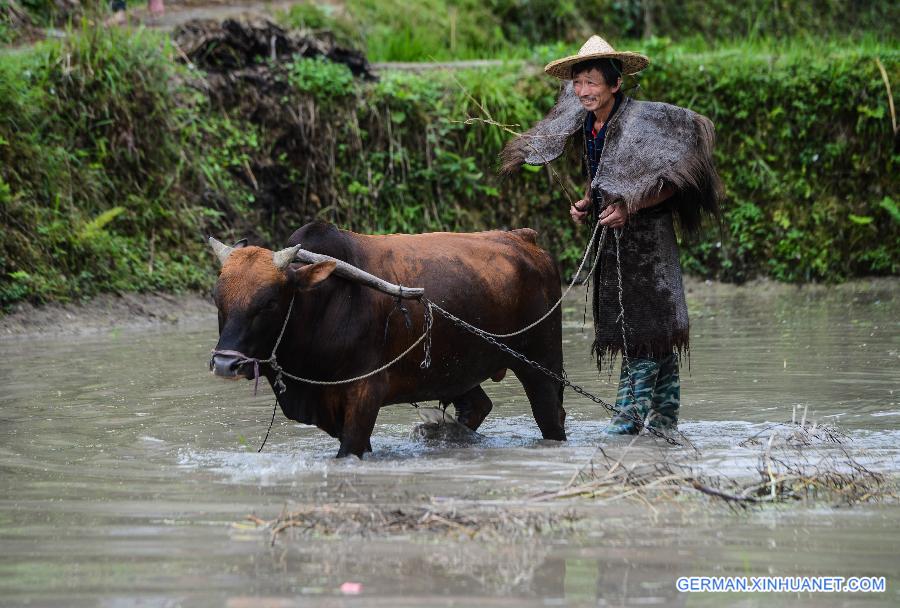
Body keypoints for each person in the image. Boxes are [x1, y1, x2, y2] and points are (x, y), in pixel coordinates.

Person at [501, 35, 723, 435]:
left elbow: (677, 180)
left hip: (650, 246)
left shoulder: (644, 124)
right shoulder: (590, 124)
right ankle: (666, 425)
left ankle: (623, 428)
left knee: (645, 332)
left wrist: (629, 206)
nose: (583, 90)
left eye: (591, 81)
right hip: (614, 244)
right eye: (578, 82)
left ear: (615, 84)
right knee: (657, 339)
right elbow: (604, 173)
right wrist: (588, 200)